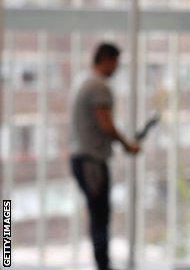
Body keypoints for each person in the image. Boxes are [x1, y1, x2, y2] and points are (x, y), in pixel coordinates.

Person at [69, 43, 140, 270]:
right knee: (100, 215)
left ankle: (102, 263)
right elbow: (106, 124)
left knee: (97, 212)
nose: (117, 68)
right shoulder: (99, 86)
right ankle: (103, 266)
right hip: (92, 161)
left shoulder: (84, 81)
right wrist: (127, 144)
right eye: (116, 62)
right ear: (107, 59)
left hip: (82, 158)